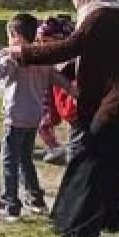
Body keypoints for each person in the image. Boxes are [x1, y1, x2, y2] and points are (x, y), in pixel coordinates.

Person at [4, 0, 119, 237]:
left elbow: (69, 48)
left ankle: (76, 225)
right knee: (115, 164)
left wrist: (24, 52)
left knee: (89, 159)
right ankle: (108, 220)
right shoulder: (114, 14)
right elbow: (93, 58)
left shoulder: (101, 16)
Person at [0, 14, 76, 222]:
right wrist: (75, 91)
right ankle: (36, 200)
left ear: (16, 36)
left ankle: (9, 204)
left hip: (15, 117)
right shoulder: (42, 58)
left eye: (9, 37)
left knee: (9, 160)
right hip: (34, 118)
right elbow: (59, 79)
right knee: (25, 158)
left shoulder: (14, 57)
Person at [35, 16, 75, 163]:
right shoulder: (48, 57)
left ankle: (57, 149)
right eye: (39, 41)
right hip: (48, 100)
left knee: (44, 125)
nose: (41, 45)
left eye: (46, 42)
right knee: (43, 125)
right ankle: (53, 147)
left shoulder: (67, 62)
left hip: (62, 100)